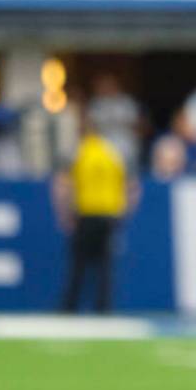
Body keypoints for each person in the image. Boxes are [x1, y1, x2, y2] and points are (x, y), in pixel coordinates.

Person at [55, 115, 131, 313]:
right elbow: (130, 185)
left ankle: (69, 307)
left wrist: (64, 213)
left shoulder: (80, 152)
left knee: (78, 265)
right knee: (105, 266)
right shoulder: (112, 153)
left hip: (86, 213)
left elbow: (64, 185)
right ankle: (104, 307)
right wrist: (123, 210)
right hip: (109, 214)